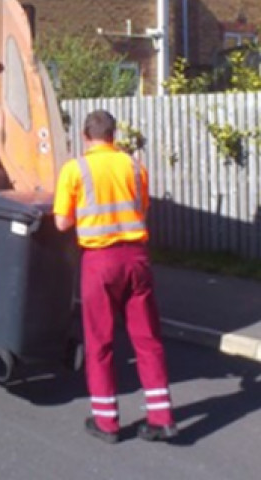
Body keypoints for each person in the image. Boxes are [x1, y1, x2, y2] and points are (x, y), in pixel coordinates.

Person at [53, 109, 177, 444]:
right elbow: (143, 208)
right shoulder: (135, 167)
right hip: (137, 259)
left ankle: (106, 422)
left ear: (85, 136)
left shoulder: (75, 169)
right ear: (113, 135)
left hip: (100, 262)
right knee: (148, 339)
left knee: (100, 342)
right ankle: (162, 418)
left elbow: (62, 223)